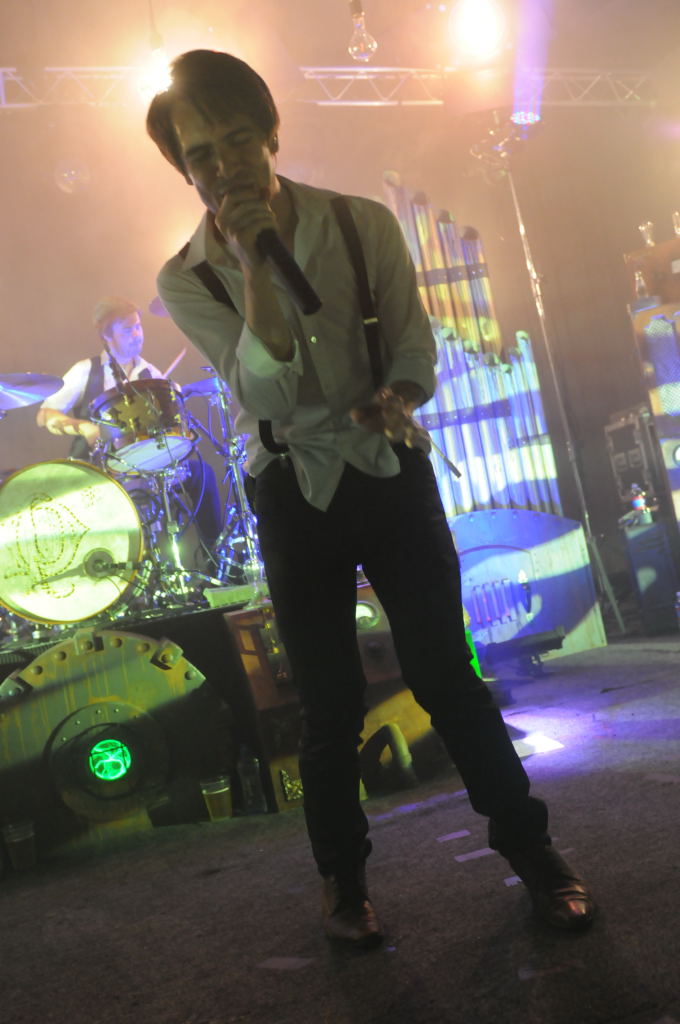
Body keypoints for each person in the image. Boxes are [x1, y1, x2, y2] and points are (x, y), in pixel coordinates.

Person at [146, 49, 595, 948]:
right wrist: (254, 265)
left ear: (272, 133)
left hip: (388, 467)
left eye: (238, 139)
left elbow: (416, 346)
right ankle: (344, 885)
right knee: (328, 704)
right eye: (201, 155)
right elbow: (263, 393)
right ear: (184, 170)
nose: (224, 166)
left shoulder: (362, 223)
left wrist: (402, 392)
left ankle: (535, 855)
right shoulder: (186, 277)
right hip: (293, 488)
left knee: (446, 677)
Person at [36, 295, 222, 554]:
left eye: (138, 326)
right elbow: (45, 415)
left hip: (150, 467)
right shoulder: (86, 370)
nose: (137, 334)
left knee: (202, 472)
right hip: (100, 471)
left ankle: (215, 556)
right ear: (107, 336)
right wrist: (83, 427)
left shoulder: (151, 374)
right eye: (127, 330)